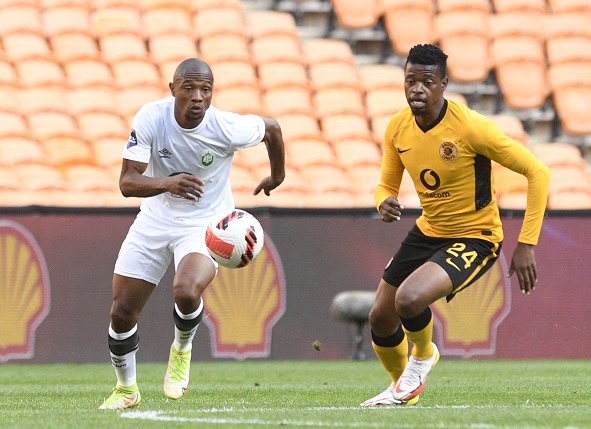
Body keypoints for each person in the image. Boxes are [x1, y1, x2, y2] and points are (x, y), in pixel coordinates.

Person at [360, 44, 550, 407]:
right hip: (429, 229)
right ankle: (403, 388)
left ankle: (422, 356)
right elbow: (386, 184)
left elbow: (537, 172)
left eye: (426, 82)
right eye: (410, 80)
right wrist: (381, 201)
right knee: (381, 316)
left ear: (443, 84)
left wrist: (526, 243)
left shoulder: (471, 128)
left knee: (409, 299)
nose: (417, 89)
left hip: (476, 236)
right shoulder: (398, 128)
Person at [99, 58, 285, 410]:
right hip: (154, 219)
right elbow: (127, 183)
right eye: (189, 88)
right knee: (121, 313)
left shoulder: (226, 127)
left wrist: (277, 176)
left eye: (206, 90)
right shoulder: (151, 118)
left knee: (185, 290)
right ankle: (127, 390)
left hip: (207, 223)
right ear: (173, 91)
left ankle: (181, 351)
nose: (198, 97)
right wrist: (169, 183)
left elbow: (272, 129)